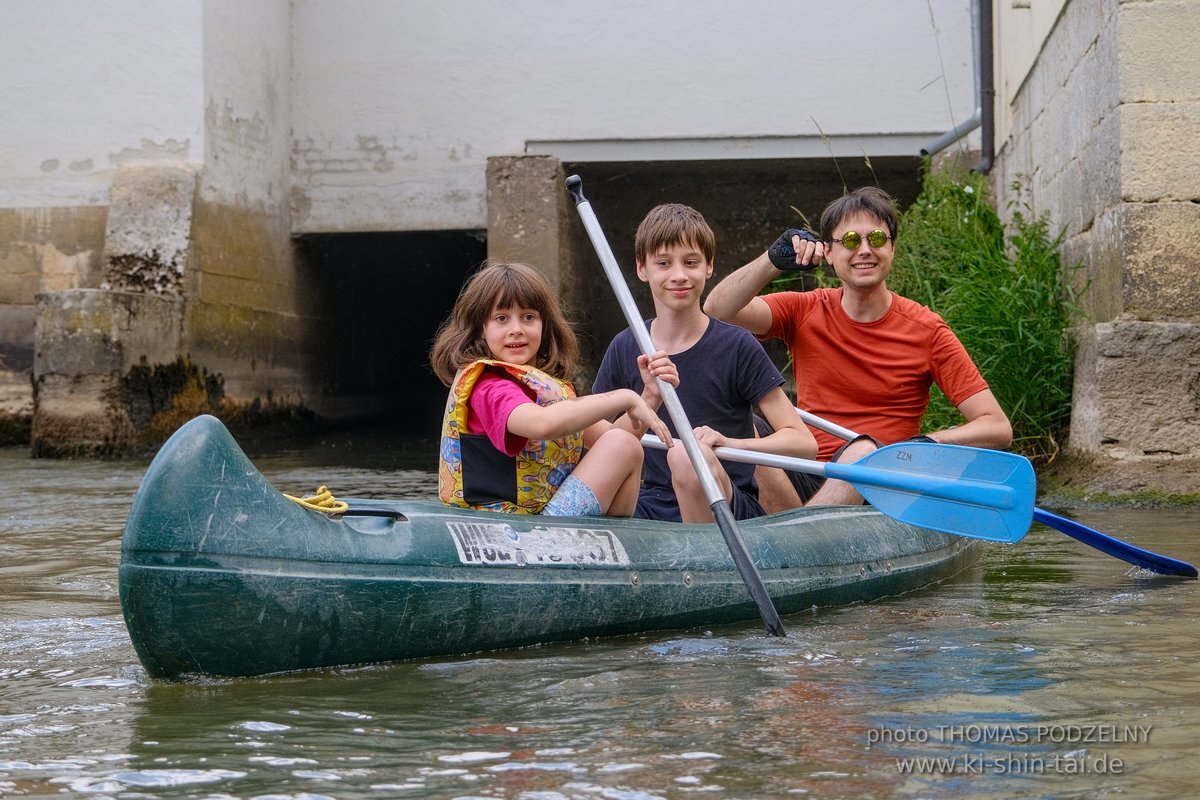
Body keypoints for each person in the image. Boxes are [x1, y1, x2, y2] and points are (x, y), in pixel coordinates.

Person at [703, 186, 1012, 509]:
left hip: (881, 487)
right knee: (740, 421)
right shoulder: (804, 309)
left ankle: (803, 537)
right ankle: (798, 532)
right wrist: (771, 261)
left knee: (863, 451)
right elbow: (716, 310)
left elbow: (996, 426)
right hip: (804, 476)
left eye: (876, 239)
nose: (864, 250)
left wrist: (930, 442)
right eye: (850, 240)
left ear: (892, 249)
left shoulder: (927, 329)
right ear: (829, 253)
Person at [592, 203, 817, 523]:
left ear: (709, 266)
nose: (679, 275)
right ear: (642, 269)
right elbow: (599, 445)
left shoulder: (737, 345)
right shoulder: (625, 345)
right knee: (611, 455)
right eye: (664, 264)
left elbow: (803, 443)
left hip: (724, 501)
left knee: (688, 457)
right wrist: (648, 400)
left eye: (691, 262)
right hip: (652, 502)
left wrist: (729, 443)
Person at [430, 261, 674, 517]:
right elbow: (542, 424)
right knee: (624, 445)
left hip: (542, 516)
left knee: (624, 444)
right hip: (510, 526)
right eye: (501, 319)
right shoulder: (489, 387)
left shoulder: (545, 388)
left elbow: (614, 439)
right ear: (480, 329)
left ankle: (619, 545)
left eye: (528, 317)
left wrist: (650, 396)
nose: (517, 330)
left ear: (544, 326)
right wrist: (624, 397)